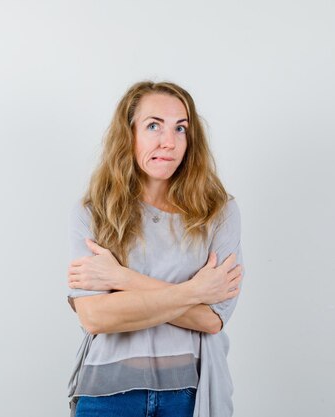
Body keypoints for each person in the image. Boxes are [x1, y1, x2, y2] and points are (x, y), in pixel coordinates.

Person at [66, 80, 245, 417]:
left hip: (189, 395)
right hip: (107, 393)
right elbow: (94, 316)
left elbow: (211, 320)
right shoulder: (93, 212)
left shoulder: (219, 212)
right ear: (129, 133)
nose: (170, 142)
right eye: (153, 126)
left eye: (181, 128)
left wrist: (122, 279)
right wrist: (196, 290)